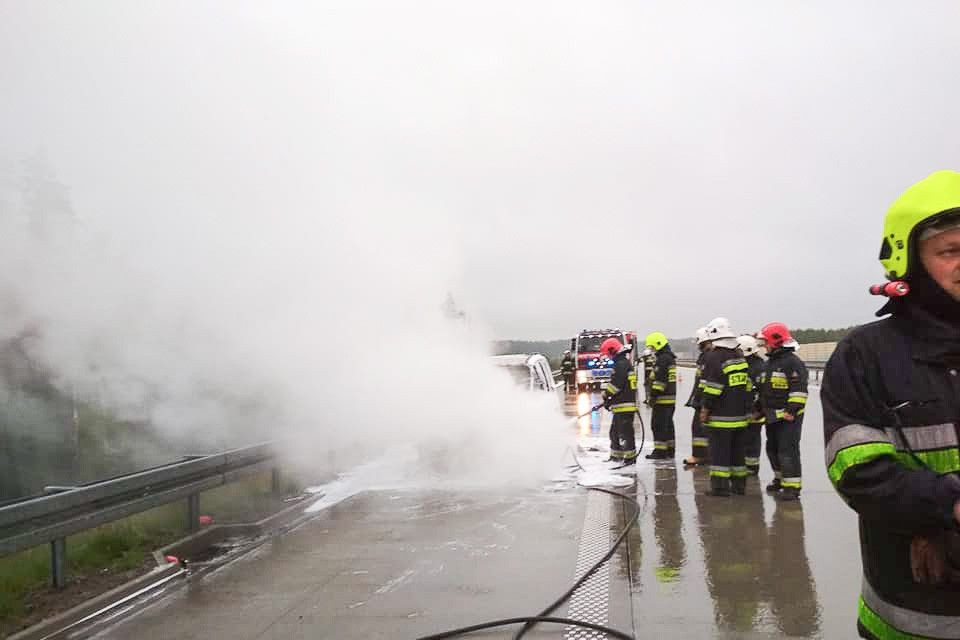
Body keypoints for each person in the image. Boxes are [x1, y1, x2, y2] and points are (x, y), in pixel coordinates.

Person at [822, 170, 960, 639]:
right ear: (910, 263)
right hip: (916, 616)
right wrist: (950, 505)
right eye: (950, 251)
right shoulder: (866, 355)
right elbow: (856, 471)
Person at [698, 317, 752, 496]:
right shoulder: (739, 355)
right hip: (740, 416)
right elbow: (747, 385)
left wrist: (705, 409)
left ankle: (720, 488)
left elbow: (713, 388)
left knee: (720, 454)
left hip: (720, 417)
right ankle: (739, 486)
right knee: (738, 454)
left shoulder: (715, 357)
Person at [757, 322, 807, 500]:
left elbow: (799, 391)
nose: (764, 347)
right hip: (772, 417)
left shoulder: (792, 363)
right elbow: (763, 390)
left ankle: (792, 487)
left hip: (788, 418)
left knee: (787, 451)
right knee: (773, 449)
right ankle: (779, 479)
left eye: (766, 342)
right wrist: (759, 410)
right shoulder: (769, 364)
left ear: (776, 341)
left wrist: (792, 411)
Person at [600, 337, 638, 465]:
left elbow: (616, 385)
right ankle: (616, 456)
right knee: (615, 432)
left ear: (612, 350)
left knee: (625, 433)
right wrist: (610, 401)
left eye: (607, 354)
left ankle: (630, 457)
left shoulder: (621, 365)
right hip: (621, 404)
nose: (608, 357)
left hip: (624, 405)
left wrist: (606, 395)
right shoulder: (623, 363)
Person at [644, 331, 677, 460]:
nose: (652, 350)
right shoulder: (669, 358)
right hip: (670, 399)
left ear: (658, 345)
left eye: (652, 347)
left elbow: (659, 382)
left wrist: (652, 397)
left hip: (662, 400)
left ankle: (660, 451)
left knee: (658, 425)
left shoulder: (662, 360)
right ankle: (670, 450)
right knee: (668, 426)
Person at [737, 334, 765, 476]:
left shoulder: (758, 368)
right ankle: (747, 465)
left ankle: (752, 467)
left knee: (752, 439)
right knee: (745, 439)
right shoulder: (747, 365)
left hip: (755, 410)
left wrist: (758, 410)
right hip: (746, 408)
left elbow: (762, 391)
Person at [683, 327, 712, 466]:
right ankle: (705, 455)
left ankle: (700, 456)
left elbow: (704, 382)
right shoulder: (707, 356)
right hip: (702, 398)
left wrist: (700, 400)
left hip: (703, 400)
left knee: (699, 429)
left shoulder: (707, 357)